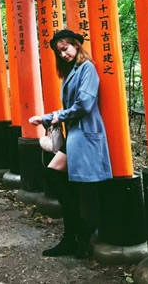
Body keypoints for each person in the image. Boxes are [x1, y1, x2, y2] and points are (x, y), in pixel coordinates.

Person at [29, 29, 112, 258]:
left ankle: (79, 233)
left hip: (85, 135)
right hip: (74, 136)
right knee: (54, 174)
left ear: (76, 45)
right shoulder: (70, 72)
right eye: (59, 51)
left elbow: (85, 104)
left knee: (73, 183)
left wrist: (54, 117)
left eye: (66, 48)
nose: (63, 54)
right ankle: (75, 233)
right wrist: (47, 118)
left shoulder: (87, 68)